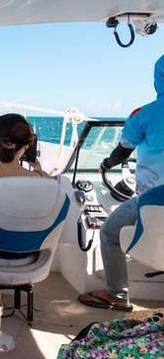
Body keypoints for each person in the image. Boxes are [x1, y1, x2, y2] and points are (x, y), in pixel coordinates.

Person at [79, 55, 164, 312]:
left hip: (152, 200)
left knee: (109, 233)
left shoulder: (145, 115)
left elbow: (123, 151)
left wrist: (106, 164)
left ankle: (118, 295)